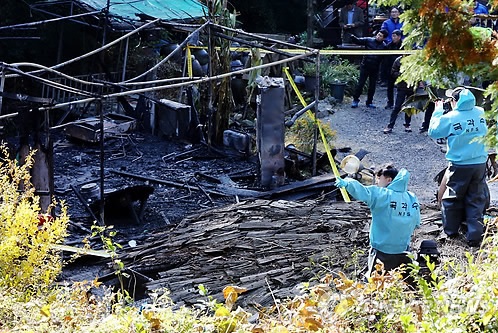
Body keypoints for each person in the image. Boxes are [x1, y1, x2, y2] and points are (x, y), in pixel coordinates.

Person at [335, 165, 421, 279]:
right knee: (405, 282)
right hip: (403, 250)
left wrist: (347, 182)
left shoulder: (382, 194)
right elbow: (416, 222)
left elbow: (363, 191)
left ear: (389, 179)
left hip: (381, 250)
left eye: (379, 178)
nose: (377, 181)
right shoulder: (411, 197)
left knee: (375, 283)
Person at [428, 87, 488, 247]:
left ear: (455, 102)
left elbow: (433, 132)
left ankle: (451, 232)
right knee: (476, 198)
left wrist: (438, 111)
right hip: (480, 162)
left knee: (453, 197)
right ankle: (475, 235)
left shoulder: (451, 117)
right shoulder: (481, 112)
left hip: (460, 164)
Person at [350, 29, 388, 108]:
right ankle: (355, 99)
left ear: (383, 38)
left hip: (375, 68)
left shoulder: (384, 46)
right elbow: (358, 41)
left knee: (372, 86)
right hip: (365, 66)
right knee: (360, 84)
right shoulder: (369, 40)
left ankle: (369, 101)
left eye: (380, 36)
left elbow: (385, 59)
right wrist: (352, 37)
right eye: (378, 34)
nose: (378, 36)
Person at [383, 55, 414, 133]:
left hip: (411, 87)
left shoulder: (414, 60)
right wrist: (402, 75)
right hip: (401, 87)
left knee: (409, 107)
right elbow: (393, 72)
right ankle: (390, 125)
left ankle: (407, 124)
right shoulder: (398, 60)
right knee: (397, 107)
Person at [379, 7, 404, 85]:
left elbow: (406, 34)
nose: (394, 13)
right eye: (392, 12)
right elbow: (383, 33)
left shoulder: (403, 23)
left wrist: (401, 40)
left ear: (399, 13)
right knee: (386, 62)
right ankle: (385, 80)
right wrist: (390, 41)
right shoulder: (386, 23)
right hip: (389, 45)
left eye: (396, 12)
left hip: (401, 45)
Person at [384, 30, 403, 109]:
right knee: (390, 87)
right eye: (392, 36)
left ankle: (400, 104)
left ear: (399, 37)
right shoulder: (389, 46)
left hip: (401, 69)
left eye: (395, 36)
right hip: (391, 69)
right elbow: (385, 59)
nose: (393, 38)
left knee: (401, 88)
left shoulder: (403, 46)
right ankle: (390, 103)